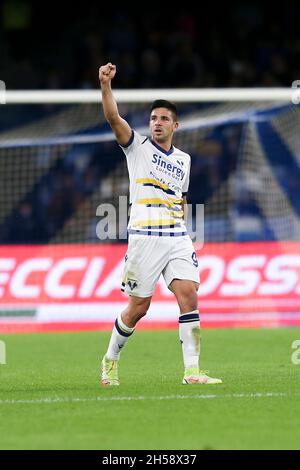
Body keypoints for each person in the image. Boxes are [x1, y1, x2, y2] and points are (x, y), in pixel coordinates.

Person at [99, 62, 222, 386]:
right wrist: (106, 86)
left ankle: (192, 371)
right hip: (144, 236)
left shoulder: (184, 160)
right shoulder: (136, 147)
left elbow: (181, 196)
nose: (157, 122)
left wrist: (184, 226)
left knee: (189, 295)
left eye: (164, 118)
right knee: (139, 307)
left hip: (177, 236)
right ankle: (110, 360)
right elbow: (113, 118)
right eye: (153, 118)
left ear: (175, 125)